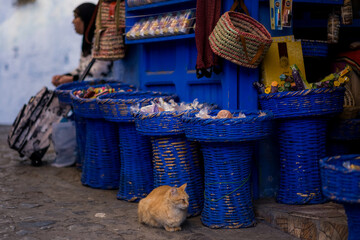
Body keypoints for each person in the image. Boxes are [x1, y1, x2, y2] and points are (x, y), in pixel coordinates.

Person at [52, 3, 113, 87]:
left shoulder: (103, 39)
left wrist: (72, 79)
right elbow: (82, 69)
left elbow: (99, 72)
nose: (73, 21)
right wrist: (65, 76)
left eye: (76, 17)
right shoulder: (88, 40)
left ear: (86, 18)